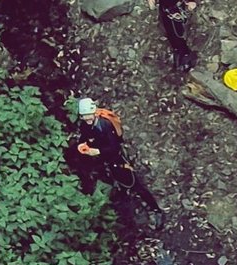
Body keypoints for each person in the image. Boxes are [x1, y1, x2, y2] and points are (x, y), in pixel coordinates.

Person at [74, 97, 163, 225]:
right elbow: (84, 136)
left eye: (88, 115)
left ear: (94, 113)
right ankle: (123, 197)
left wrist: (97, 151)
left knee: (134, 184)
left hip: (115, 158)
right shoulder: (85, 125)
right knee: (116, 181)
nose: (87, 118)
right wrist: (82, 145)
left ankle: (156, 209)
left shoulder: (105, 125)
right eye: (84, 116)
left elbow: (114, 147)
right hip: (103, 160)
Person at [149, 0, 198, 72]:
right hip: (169, 8)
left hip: (176, 8)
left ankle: (183, 55)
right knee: (174, 34)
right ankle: (181, 55)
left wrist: (192, 2)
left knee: (177, 34)